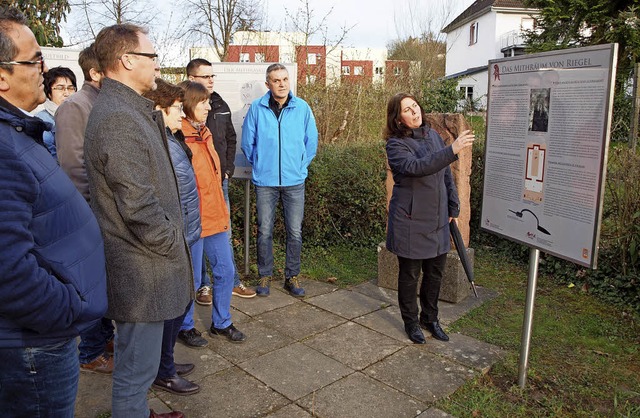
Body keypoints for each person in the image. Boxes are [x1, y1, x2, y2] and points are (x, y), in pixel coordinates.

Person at [0, 6, 107, 416]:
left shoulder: (15, 132)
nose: (42, 70)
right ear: (3, 75)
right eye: (33, 61)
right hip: (34, 347)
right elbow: (9, 270)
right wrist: (67, 310)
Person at [84, 24, 192, 418]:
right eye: (152, 57)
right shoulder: (118, 117)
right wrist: (171, 243)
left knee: (139, 369)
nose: (157, 65)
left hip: (147, 265)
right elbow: (138, 206)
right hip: (142, 272)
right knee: (135, 373)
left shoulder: (130, 108)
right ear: (128, 60)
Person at [384, 93, 474, 344]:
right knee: (410, 275)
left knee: (435, 273)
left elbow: (445, 174)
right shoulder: (395, 145)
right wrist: (452, 150)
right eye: (407, 110)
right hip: (411, 219)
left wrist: (453, 208)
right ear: (398, 119)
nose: (414, 112)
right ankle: (411, 322)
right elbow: (417, 167)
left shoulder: (433, 135)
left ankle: (430, 318)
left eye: (415, 106)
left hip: (437, 219)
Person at [55, 43, 115, 374]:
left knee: (104, 283)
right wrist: (94, 213)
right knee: (90, 285)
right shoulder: (74, 108)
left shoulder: (101, 103)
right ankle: (90, 353)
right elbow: (73, 167)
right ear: (95, 73)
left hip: (104, 212)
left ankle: (104, 338)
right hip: (89, 215)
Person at [143, 79, 201, 396]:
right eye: (177, 108)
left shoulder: (171, 137)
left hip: (186, 231)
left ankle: (165, 362)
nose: (183, 114)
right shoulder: (157, 143)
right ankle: (163, 372)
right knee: (171, 307)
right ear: (159, 109)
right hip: (173, 237)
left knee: (180, 303)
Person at [241, 63, 318, 297]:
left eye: (285, 79)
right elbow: (248, 143)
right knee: (264, 231)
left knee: (294, 231)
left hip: (294, 181)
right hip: (265, 182)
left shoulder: (302, 108)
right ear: (268, 84)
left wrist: (299, 166)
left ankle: (291, 276)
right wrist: (262, 164)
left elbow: (311, 142)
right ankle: (265, 275)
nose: (282, 84)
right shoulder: (257, 108)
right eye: (276, 80)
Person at [178, 81, 246, 345]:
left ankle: (222, 322)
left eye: (208, 101)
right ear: (187, 105)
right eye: (202, 102)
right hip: (194, 222)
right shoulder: (179, 138)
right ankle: (185, 327)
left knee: (225, 272)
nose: (208, 106)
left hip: (216, 218)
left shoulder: (204, 133)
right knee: (192, 279)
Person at [186, 58, 256, 300]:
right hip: (193, 185)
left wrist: (227, 170)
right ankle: (203, 285)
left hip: (219, 180)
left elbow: (230, 138)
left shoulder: (220, 104)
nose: (211, 80)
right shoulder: (181, 108)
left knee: (222, 231)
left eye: (212, 76)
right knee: (197, 235)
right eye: (205, 76)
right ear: (192, 79)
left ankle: (231, 281)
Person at [35, 66, 76, 160]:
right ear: (49, 93)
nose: (66, 93)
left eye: (70, 88)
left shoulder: (78, 117)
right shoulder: (43, 121)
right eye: (60, 88)